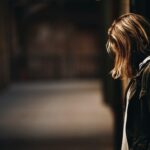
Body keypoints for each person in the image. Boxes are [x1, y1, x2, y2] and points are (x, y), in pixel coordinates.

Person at [106, 13, 150, 150]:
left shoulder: (148, 74)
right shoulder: (139, 74)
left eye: (120, 51)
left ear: (129, 46)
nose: (119, 58)